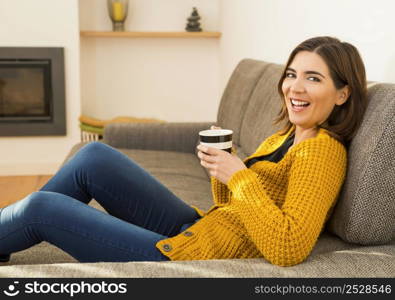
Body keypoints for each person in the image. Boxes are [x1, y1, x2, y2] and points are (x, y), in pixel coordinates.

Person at [0, 36, 367, 266]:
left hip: (184, 253)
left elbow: (288, 245)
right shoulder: (286, 135)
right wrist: (220, 170)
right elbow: (235, 207)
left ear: (342, 94)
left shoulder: (321, 152)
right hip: (198, 226)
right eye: (291, 74)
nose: (295, 88)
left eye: (313, 78)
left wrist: (238, 175)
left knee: (42, 209)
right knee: (93, 158)